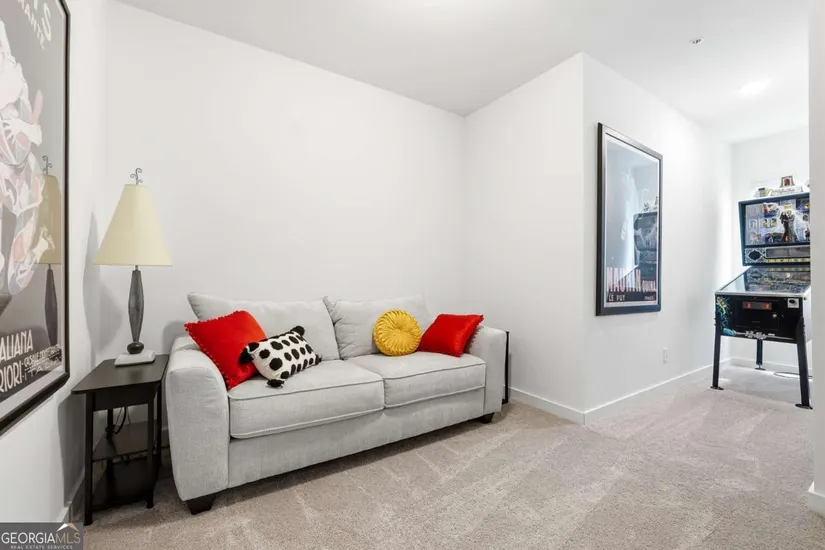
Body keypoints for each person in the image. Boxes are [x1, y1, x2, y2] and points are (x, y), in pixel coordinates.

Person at [0, 19, 50, 299]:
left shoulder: (18, 87)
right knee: (11, 277)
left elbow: (38, 134)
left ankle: (40, 246)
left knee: (15, 281)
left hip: (25, 178)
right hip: (11, 174)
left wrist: (22, 126)